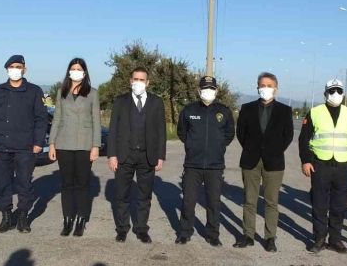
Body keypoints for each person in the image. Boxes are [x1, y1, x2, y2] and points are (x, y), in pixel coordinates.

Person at [0, 55, 48, 233]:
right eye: (12, 67)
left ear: (24, 69)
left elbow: (41, 119)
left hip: (25, 147)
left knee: (24, 184)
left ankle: (23, 217)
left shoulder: (34, 91)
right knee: (3, 183)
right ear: (7, 70)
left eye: (18, 67)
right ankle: (6, 217)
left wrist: (38, 142)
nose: (15, 70)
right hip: (1, 145)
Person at [298, 79, 347, 254]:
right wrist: (306, 161)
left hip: (343, 166)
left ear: (343, 94)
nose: (336, 94)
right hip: (320, 165)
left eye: (339, 91)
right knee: (319, 204)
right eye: (332, 91)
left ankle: (335, 240)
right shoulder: (315, 112)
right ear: (325, 93)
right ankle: (319, 239)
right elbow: (304, 139)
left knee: (339, 205)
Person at [233, 72, 294, 251]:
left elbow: (288, 136)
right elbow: (241, 133)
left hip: (274, 162)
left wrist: (274, 150)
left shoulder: (284, 110)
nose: (265, 88)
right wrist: (251, 148)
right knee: (249, 200)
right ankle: (248, 235)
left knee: (271, 201)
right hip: (250, 159)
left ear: (276, 89)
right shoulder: (247, 108)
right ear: (257, 87)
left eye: (269, 85)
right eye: (262, 85)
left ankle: (270, 238)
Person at [107, 67, 166, 243]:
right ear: (130, 81)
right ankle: (122, 229)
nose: (138, 82)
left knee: (144, 195)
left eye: (142, 80)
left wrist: (160, 156)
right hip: (124, 155)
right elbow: (113, 129)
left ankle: (141, 229)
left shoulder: (156, 102)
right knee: (121, 195)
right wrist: (112, 155)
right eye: (136, 79)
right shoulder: (120, 101)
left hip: (148, 156)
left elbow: (161, 131)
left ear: (147, 83)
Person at [175, 75, 235, 246]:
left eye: (211, 88)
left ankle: (212, 235)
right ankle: (185, 232)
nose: (208, 91)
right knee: (188, 201)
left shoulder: (224, 111)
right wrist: (192, 145)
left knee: (214, 203)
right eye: (205, 88)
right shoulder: (189, 110)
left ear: (216, 91)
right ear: (199, 90)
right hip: (192, 165)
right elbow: (182, 132)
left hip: (215, 166)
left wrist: (218, 146)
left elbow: (229, 134)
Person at [48, 58, 101, 237]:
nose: (76, 71)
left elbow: (96, 121)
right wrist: (52, 143)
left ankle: (81, 219)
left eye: (79, 69)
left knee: (82, 184)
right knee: (66, 184)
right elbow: (57, 118)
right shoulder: (61, 92)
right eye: (73, 68)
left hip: (85, 144)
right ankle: (67, 219)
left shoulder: (92, 93)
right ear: (68, 71)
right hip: (63, 143)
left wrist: (95, 146)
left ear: (84, 73)